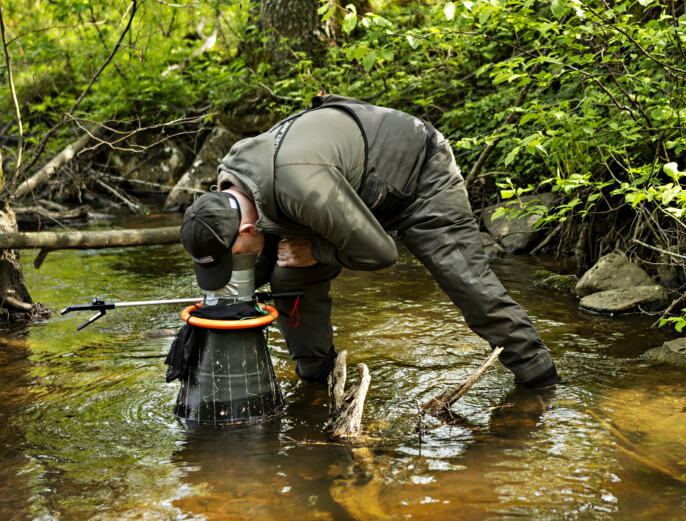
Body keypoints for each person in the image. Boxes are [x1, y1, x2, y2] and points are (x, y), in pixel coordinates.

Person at [179, 94, 559, 387]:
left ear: (246, 230)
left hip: (418, 177)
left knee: (464, 280)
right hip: (346, 185)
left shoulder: (303, 188)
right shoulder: (231, 181)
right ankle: (318, 376)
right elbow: (258, 258)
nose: (236, 266)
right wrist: (222, 303)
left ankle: (538, 375)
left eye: (233, 259)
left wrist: (314, 250)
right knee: (287, 274)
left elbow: (382, 254)